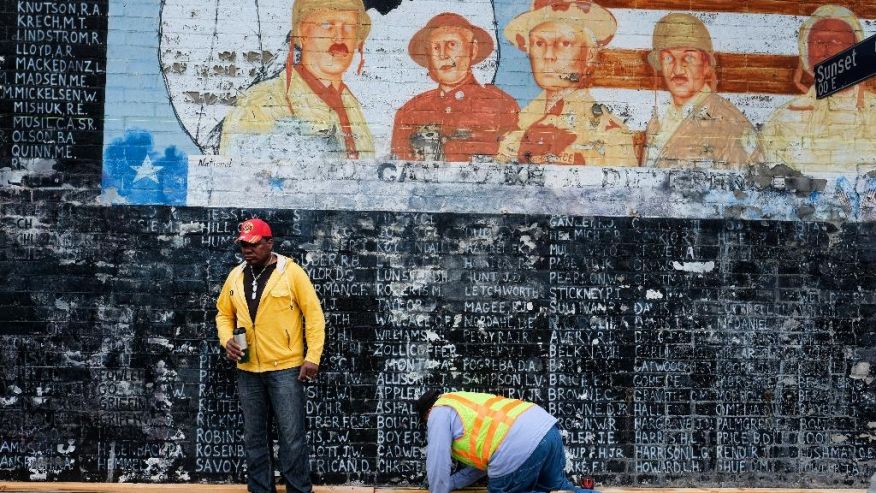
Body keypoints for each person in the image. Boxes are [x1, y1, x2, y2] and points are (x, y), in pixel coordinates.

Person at [216, 218, 325, 493]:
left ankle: (299, 490)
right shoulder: (236, 275)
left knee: (292, 438)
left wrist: (312, 357)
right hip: (248, 369)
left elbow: (314, 316)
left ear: (269, 243)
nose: (246, 249)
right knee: (254, 438)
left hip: (286, 368)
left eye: (252, 244)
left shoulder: (291, 272)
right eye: (242, 244)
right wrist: (226, 340)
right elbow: (223, 314)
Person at [219, 0, 374, 160]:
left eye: (349, 27)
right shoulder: (258, 103)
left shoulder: (351, 106)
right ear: (303, 33)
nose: (340, 38)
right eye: (328, 26)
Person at [497, 0, 637, 167]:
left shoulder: (610, 135)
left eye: (564, 43)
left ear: (590, 55)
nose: (548, 55)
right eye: (539, 43)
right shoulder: (515, 123)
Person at [760, 5, 876, 172]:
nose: (827, 48)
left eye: (837, 41)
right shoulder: (782, 121)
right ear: (806, 52)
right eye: (819, 42)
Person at [391, 13, 520, 162]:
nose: (443, 55)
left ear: (473, 50)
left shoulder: (501, 107)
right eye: (436, 47)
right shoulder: (409, 112)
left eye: (451, 45)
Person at [414, 389, 598, 493]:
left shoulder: (438, 412)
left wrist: (438, 490)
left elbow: (437, 460)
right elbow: (482, 465)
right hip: (547, 429)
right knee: (559, 487)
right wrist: (452, 483)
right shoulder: (460, 401)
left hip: (518, 445)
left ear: (427, 414)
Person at [643, 13, 762, 169]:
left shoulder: (729, 125)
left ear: (706, 66)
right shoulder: (660, 121)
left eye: (689, 58)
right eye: (669, 58)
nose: (677, 69)